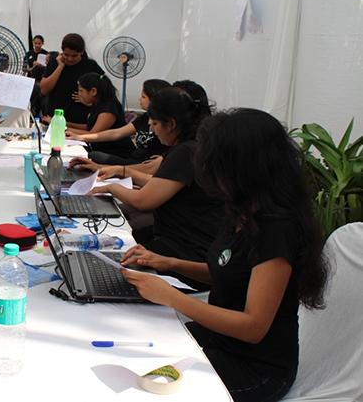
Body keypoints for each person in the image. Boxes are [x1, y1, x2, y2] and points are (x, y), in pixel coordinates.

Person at [119, 108, 330, 402]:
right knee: (134, 346)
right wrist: (166, 263)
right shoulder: (243, 208)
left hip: (256, 370)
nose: (207, 169)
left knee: (145, 390)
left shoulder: (278, 229)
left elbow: (253, 327)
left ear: (242, 166)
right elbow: (228, 271)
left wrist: (170, 296)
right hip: (219, 341)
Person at [88, 87, 225, 291]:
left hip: (187, 250)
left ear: (171, 124)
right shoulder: (192, 146)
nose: (151, 130)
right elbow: (158, 183)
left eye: (154, 124)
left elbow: (144, 201)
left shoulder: (185, 151)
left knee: (104, 268)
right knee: (110, 248)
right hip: (186, 241)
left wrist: (112, 188)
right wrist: (121, 174)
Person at [67, 78, 171, 165]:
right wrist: (78, 136)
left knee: (95, 157)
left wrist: (165, 157)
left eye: (143, 97)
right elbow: (116, 133)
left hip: (141, 164)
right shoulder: (144, 117)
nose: (139, 99)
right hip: (134, 160)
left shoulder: (109, 109)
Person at [66, 72, 135, 160]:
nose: (79, 94)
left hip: (117, 154)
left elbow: (93, 134)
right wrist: (66, 125)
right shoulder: (97, 105)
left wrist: (65, 129)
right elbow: (88, 127)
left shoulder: (109, 109)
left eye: (81, 91)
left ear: (93, 91)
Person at [40, 33, 104, 125]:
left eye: (74, 56)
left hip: (79, 121)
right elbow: (44, 90)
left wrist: (89, 102)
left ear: (82, 52)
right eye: (66, 55)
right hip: (54, 118)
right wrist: (60, 67)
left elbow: (105, 90)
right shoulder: (54, 62)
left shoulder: (90, 65)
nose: (69, 59)